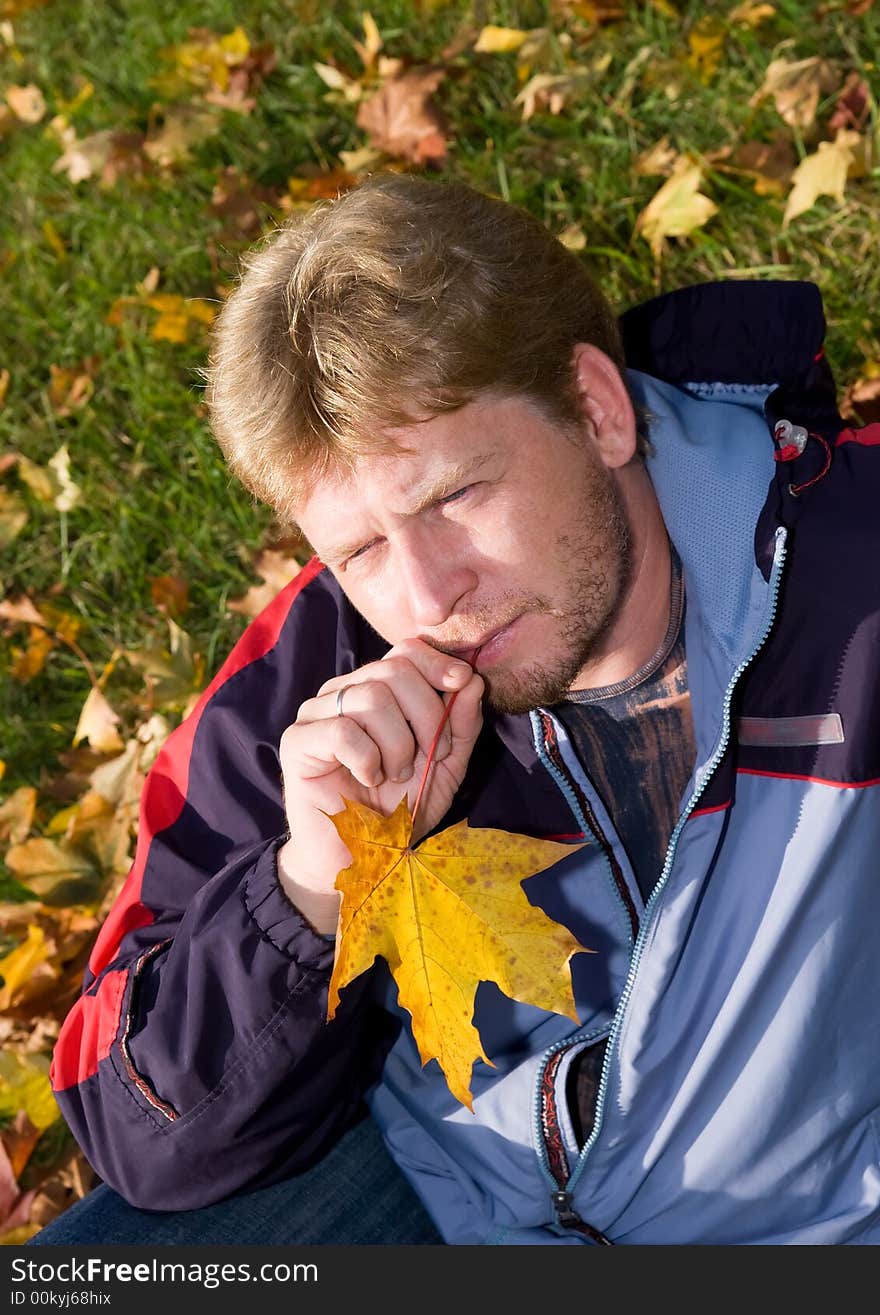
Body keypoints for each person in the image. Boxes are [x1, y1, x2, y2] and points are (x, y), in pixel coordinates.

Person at [33, 174, 880, 1247]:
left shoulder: (849, 578)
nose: (428, 598)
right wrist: (307, 898)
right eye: (362, 548)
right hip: (456, 1197)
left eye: (452, 497)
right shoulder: (312, 680)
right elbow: (141, 1135)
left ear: (596, 407)